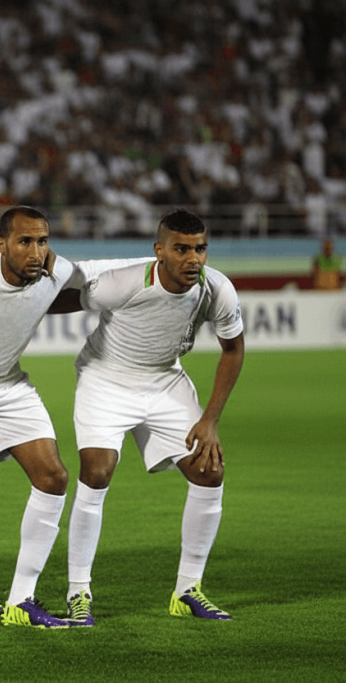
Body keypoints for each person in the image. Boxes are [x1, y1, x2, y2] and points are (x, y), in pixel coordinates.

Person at [0, 207, 140, 633]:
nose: (37, 251)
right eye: (25, 241)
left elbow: (100, 279)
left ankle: (21, 599)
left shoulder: (56, 273)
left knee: (54, 477)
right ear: (1, 245)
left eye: (43, 241)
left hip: (8, 386)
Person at [63, 208, 245, 626]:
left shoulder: (217, 289)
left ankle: (188, 590)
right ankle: (78, 593)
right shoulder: (123, 282)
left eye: (200, 249)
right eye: (181, 249)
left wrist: (210, 419)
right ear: (159, 251)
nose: (192, 259)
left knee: (209, 471)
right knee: (97, 471)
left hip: (165, 382)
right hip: (105, 378)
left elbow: (233, 350)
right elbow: (67, 300)